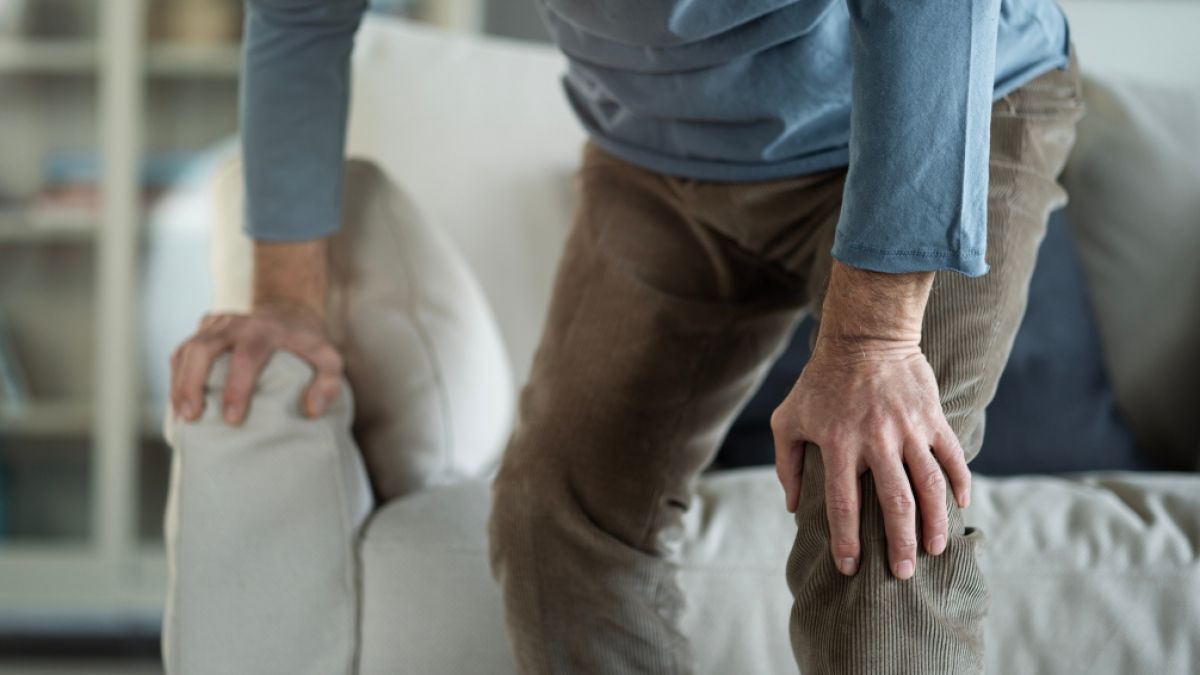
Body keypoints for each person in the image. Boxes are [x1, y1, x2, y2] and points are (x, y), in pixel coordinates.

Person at [169, 0, 1083, 672]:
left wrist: (875, 342)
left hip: (940, 106)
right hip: (662, 151)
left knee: (879, 497)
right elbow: (299, 16)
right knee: (553, 516)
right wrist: (287, 301)